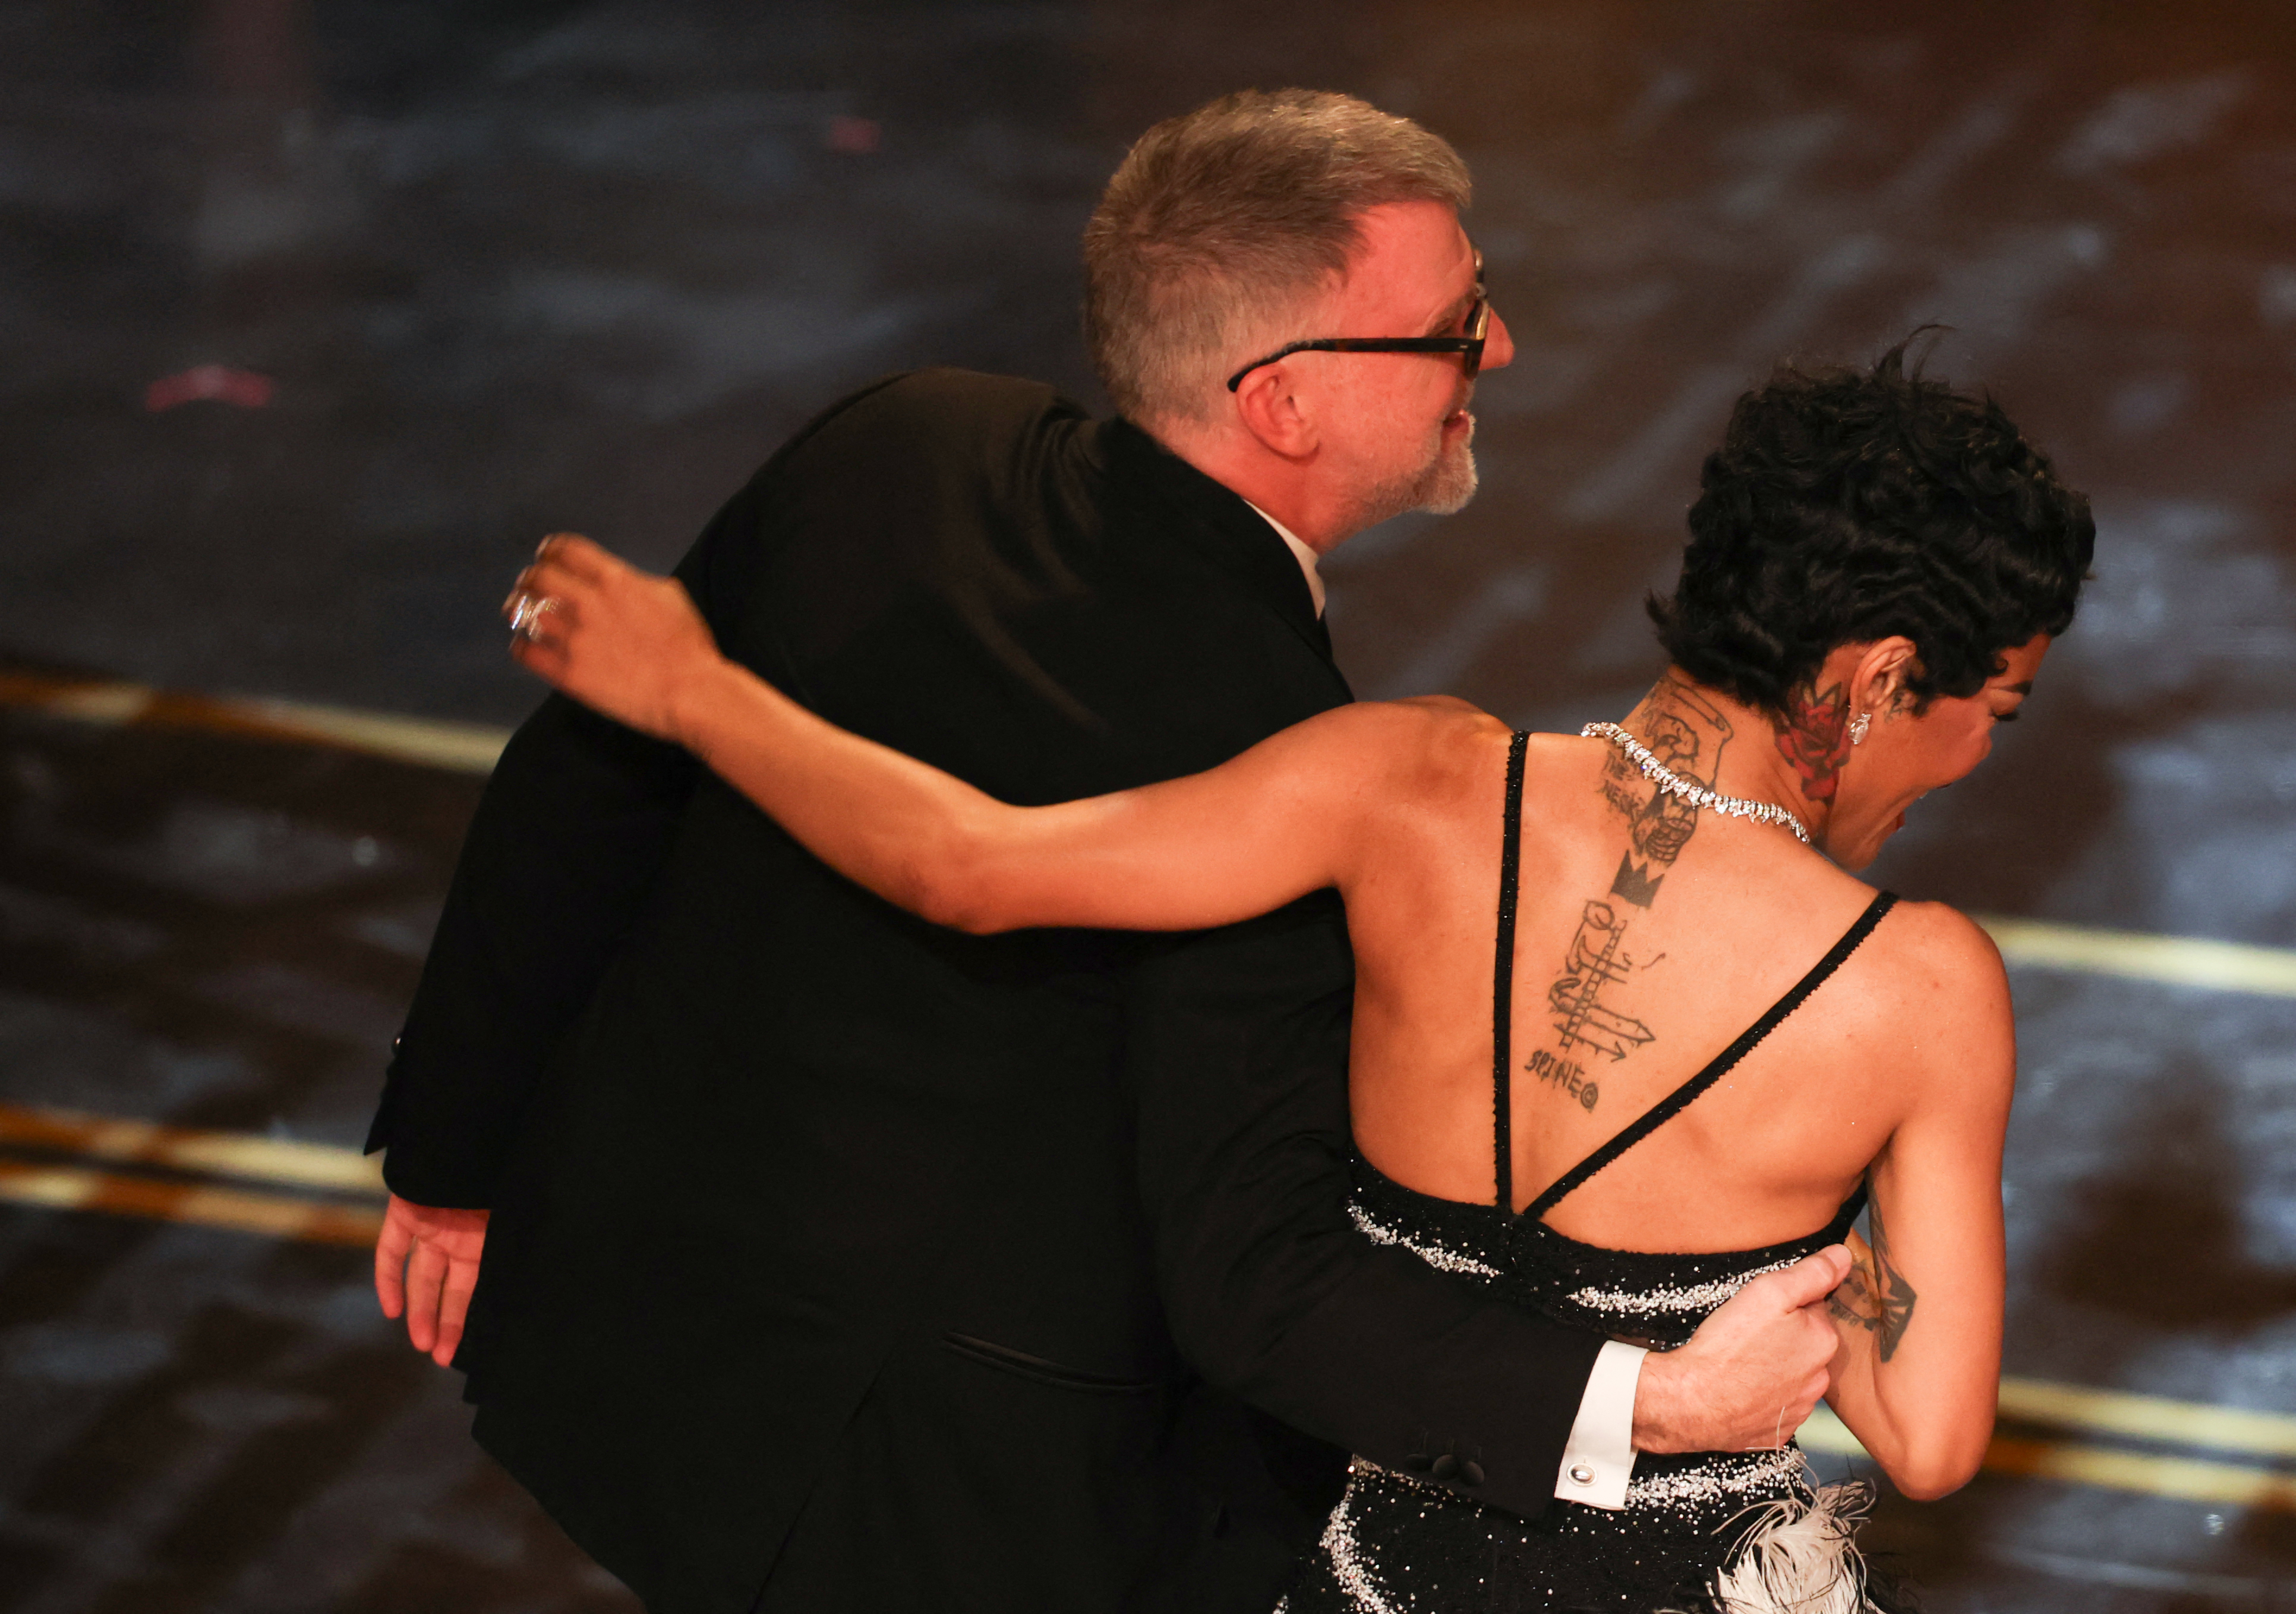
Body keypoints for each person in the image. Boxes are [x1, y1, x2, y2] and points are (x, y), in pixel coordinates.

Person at [368, 90, 1850, 1614]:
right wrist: (1648, 1406)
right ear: (1283, 400)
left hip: (651, 1356)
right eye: (1459, 325)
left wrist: (451, 1163)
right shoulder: (1280, 758)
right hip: (943, 1505)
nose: (1504, 353)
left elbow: (588, 787)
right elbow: (1254, 1276)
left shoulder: (899, 442)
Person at [502, 342, 2095, 1612]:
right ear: (1881, 673)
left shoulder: (1395, 781)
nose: (1966, 763)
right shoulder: (1917, 984)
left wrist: (695, 688)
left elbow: (966, 866)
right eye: (1991, 712)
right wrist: (1829, 1255)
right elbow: (1932, 1433)